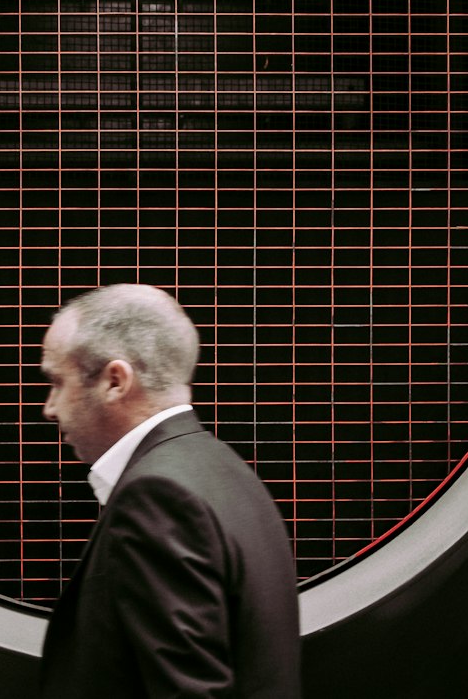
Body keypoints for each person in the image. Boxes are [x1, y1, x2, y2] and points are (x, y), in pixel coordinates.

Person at [38, 283, 301, 698]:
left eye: (57, 382)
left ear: (114, 382)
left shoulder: (156, 498)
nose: (49, 408)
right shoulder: (227, 471)